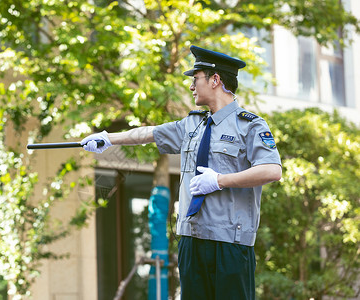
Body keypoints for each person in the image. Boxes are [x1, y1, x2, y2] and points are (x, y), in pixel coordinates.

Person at [80, 45, 282, 300]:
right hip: (191, 238)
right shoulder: (192, 125)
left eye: (195, 79)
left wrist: (219, 181)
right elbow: (149, 133)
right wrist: (107, 139)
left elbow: (272, 170)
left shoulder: (249, 126)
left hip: (230, 242)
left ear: (215, 79)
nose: (191, 86)